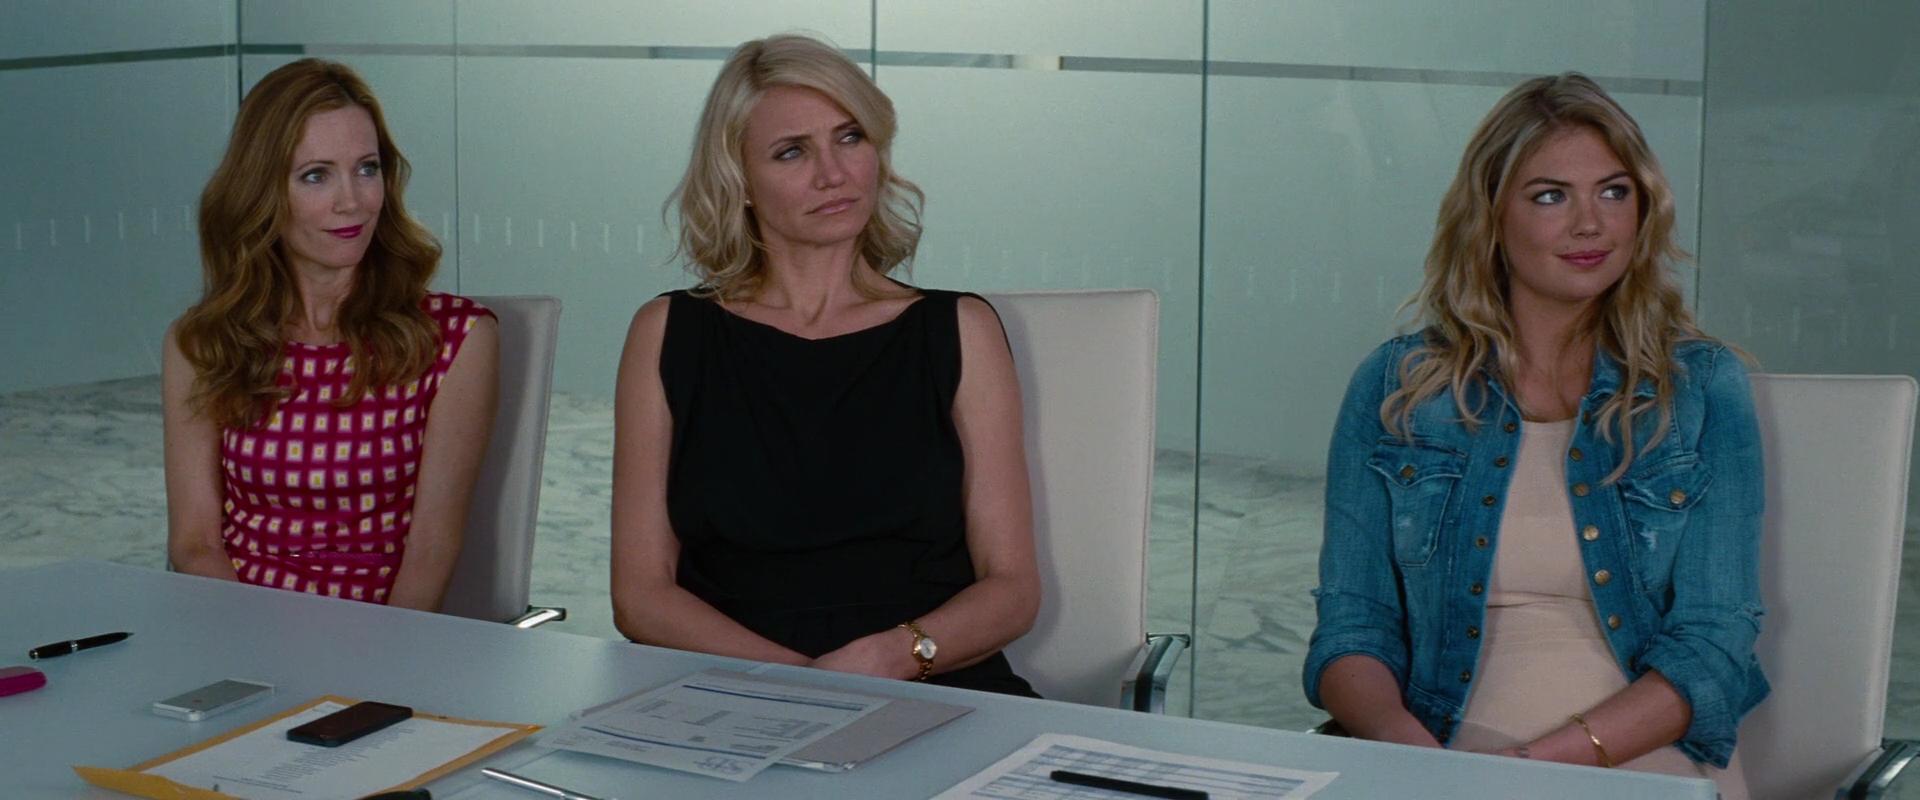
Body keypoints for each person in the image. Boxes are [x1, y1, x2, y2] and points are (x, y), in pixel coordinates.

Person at [1303, 73, 1764, 796]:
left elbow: (1714, 643)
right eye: (1551, 196)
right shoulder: (1398, 387)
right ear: (1490, 215)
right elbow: (1353, 626)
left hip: (1640, 762)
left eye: (1614, 192)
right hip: (1436, 756)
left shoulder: (1700, 387)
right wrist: (1418, 762)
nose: (1591, 225)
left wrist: (1523, 773)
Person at [610, 34, 1041, 696]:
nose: (833, 174)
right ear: (738, 181)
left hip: (932, 687)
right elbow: (641, 595)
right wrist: (803, 686)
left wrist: (891, 659)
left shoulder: (961, 330)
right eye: (792, 151)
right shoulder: (666, 333)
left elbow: (1012, 589)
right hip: (730, 693)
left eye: (850, 137)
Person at [163, 59, 499, 610]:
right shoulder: (202, 343)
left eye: (367, 169)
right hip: (237, 627)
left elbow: (431, 552)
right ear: (262, 191)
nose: (352, 201)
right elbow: (195, 544)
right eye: (316, 175)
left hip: (385, 636)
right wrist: (252, 645)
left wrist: (374, 659)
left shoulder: (456, 339)